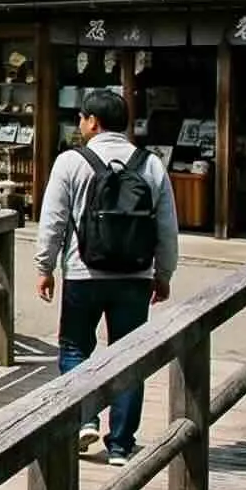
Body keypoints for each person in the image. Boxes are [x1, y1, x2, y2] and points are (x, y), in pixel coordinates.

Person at [34, 87, 180, 465]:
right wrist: (163, 273)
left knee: (74, 347)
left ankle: (84, 419)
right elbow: (166, 226)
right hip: (135, 275)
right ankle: (120, 444)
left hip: (84, 272)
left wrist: (44, 266)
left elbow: (53, 220)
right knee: (128, 353)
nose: (79, 124)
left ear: (93, 122)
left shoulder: (71, 162)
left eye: (81, 118)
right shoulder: (150, 164)